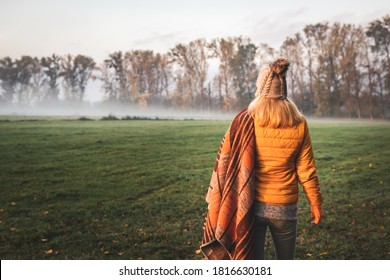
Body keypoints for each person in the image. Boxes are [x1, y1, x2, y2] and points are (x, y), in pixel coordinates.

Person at [200, 57, 323, 260]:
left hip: (250, 207)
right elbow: (306, 170)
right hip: (284, 207)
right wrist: (315, 203)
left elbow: (227, 163)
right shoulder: (299, 123)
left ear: (260, 88)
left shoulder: (245, 120)